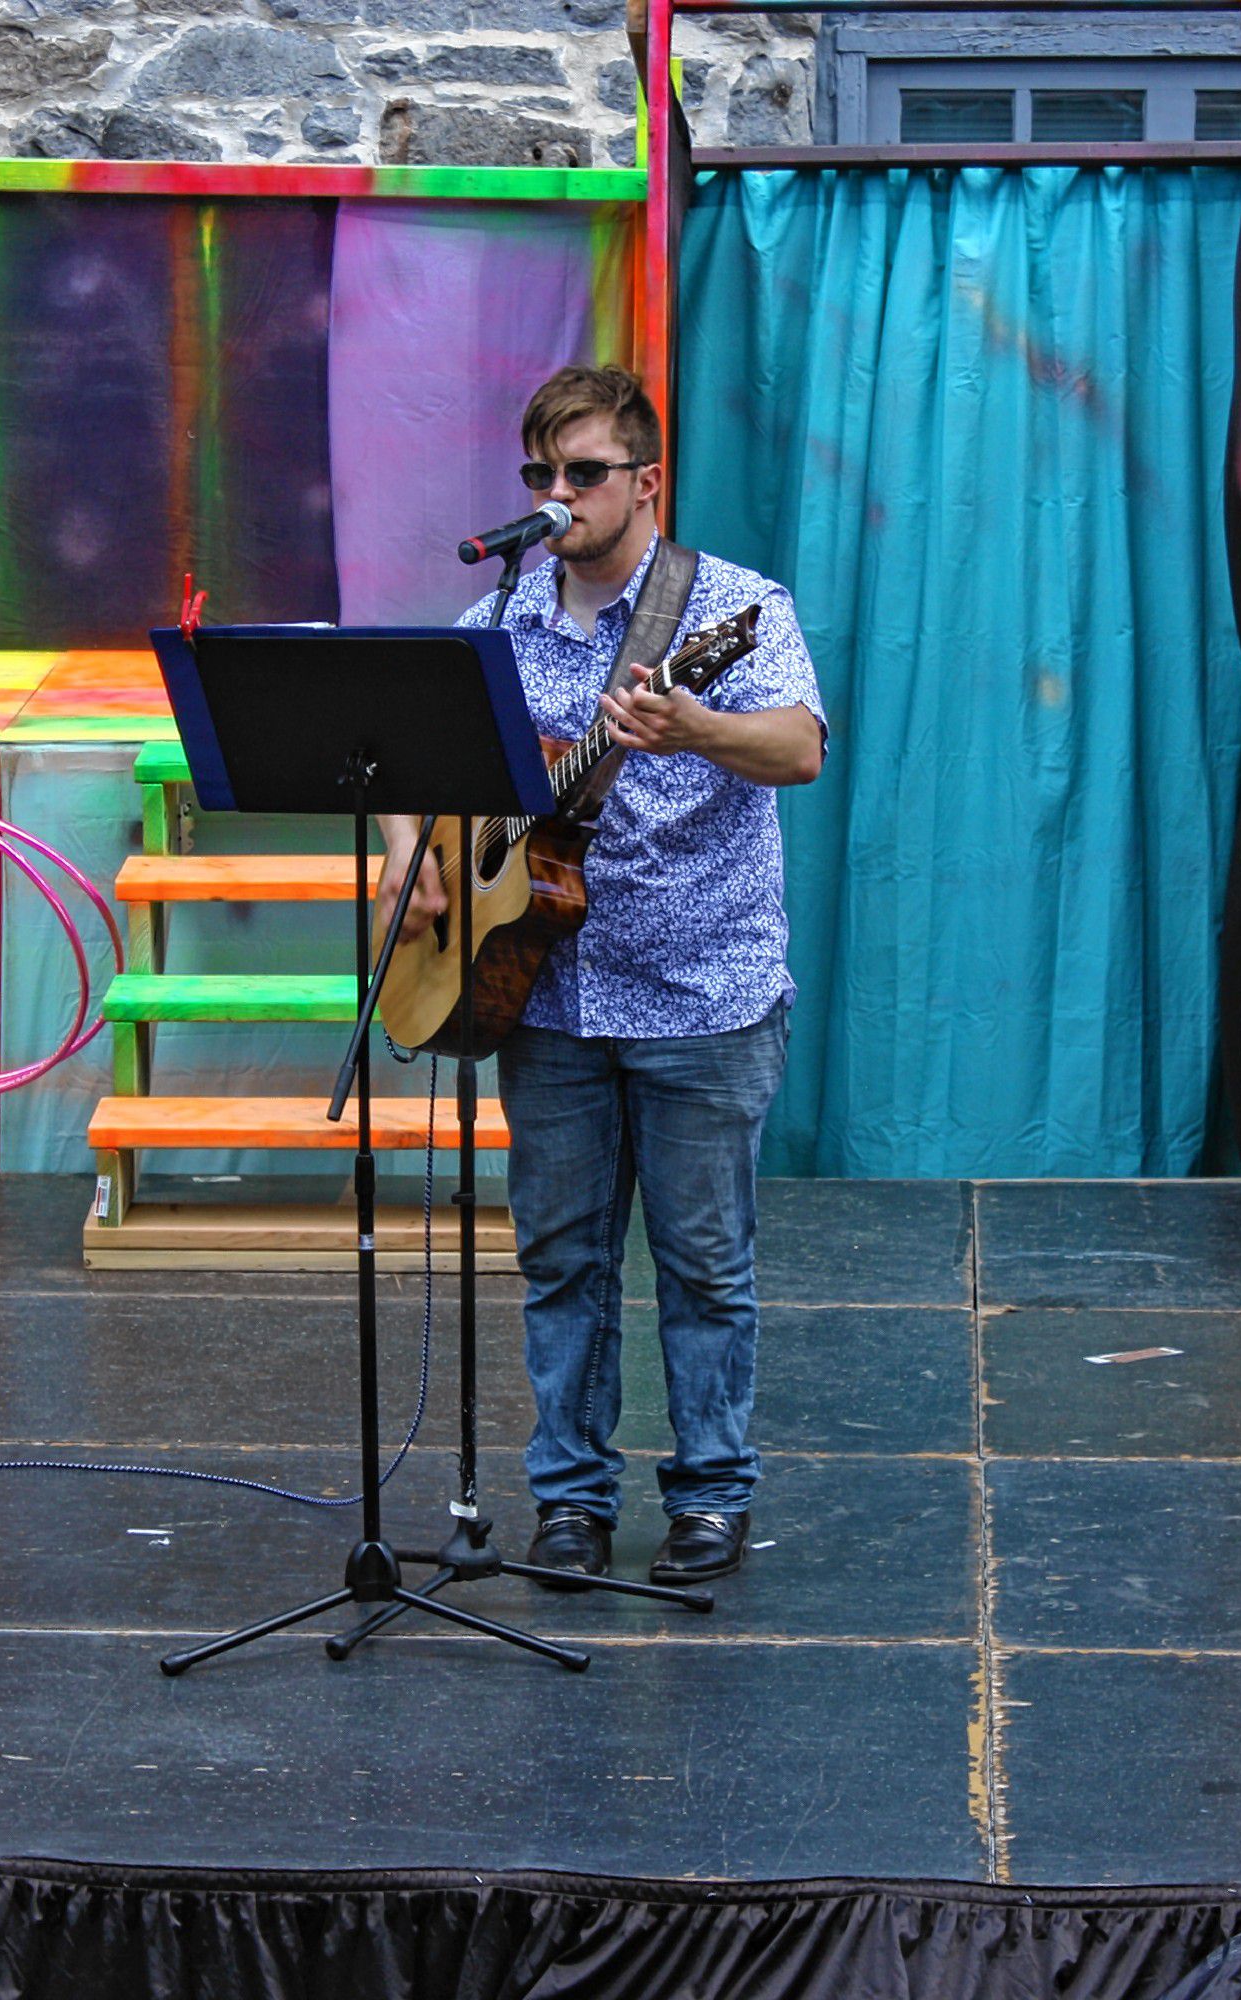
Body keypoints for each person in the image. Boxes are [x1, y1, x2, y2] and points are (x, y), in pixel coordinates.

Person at [381, 365, 825, 1590]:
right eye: (542, 476)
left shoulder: (731, 605)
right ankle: (569, 1498)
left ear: (646, 481)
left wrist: (696, 728)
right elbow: (407, 759)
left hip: (703, 988)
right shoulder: (498, 621)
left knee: (702, 1260)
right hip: (544, 991)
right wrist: (412, 851)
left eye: (583, 473)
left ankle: (710, 1495)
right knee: (561, 1256)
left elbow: (799, 744)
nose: (560, 495)